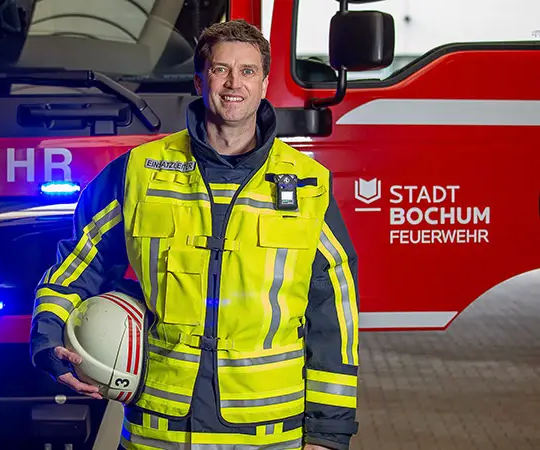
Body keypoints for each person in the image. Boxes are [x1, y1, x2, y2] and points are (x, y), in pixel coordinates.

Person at [30, 19, 360, 450]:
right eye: (221, 69)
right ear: (200, 81)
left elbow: (333, 314)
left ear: (263, 84)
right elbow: (80, 263)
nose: (233, 83)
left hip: (269, 434)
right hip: (159, 433)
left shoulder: (307, 184)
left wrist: (327, 434)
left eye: (247, 71)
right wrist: (50, 338)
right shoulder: (139, 172)